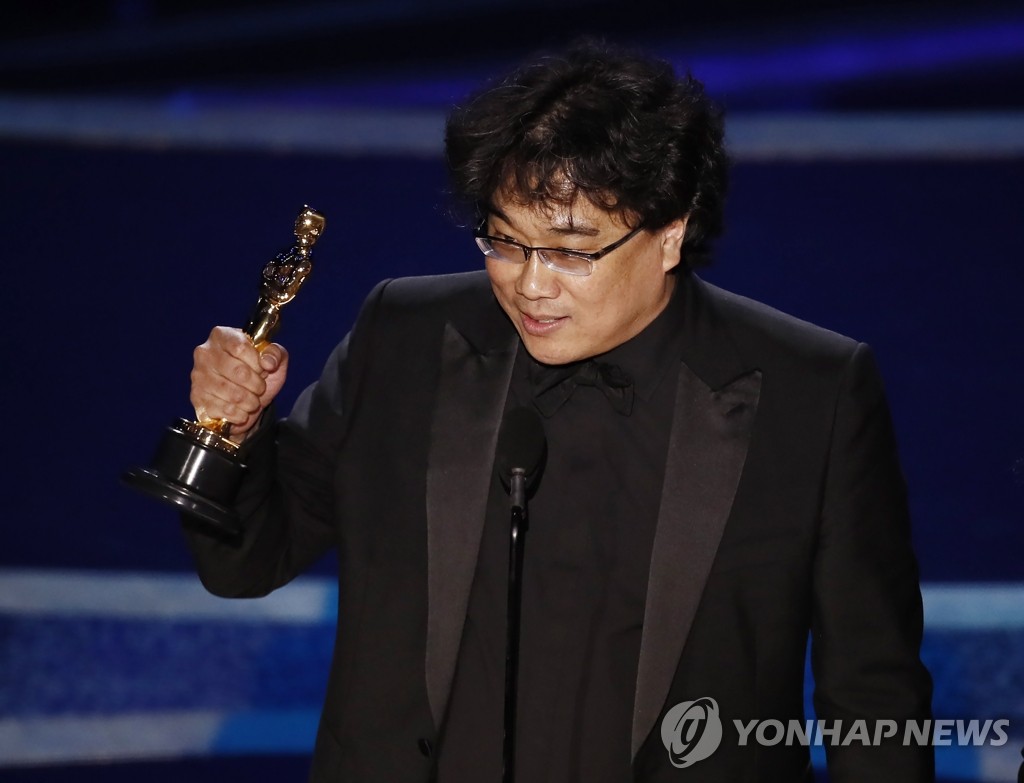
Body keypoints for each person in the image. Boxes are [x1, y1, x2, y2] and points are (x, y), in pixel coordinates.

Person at [183, 39, 933, 782]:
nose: (531, 285)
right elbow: (246, 560)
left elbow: (874, 694)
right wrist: (231, 433)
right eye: (505, 242)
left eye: (571, 251)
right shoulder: (407, 338)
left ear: (671, 233)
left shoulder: (812, 394)